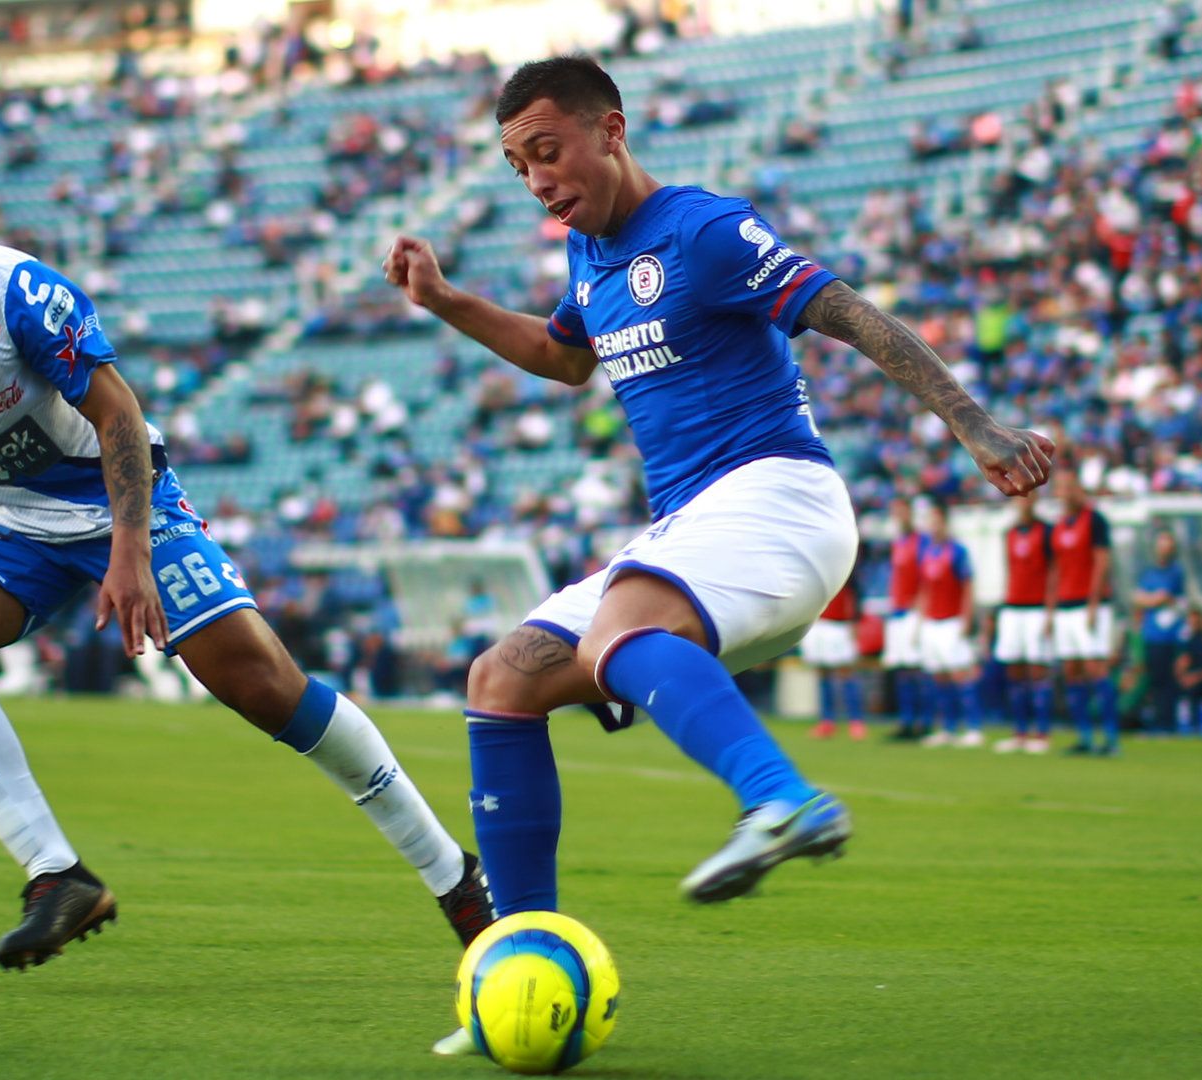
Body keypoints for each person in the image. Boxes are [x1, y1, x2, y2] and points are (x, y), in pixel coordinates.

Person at [382, 57, 1051, 1054]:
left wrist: (977, 426)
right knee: (503, 679)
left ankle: (781, 801)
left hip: (780, 495)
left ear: (610, 131)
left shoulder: (703, 230)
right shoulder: (589, 254)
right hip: (692, 527)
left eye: (548, 152)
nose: (537, 181)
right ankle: (516, 966)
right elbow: (565, 360)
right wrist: (443, 300)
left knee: (619, 628)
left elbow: (850, 312)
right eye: (519, 165)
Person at [0, 141, 490, 971]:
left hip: (115, 496)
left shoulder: (15, 293)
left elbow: (118, 415)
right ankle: (57, 878)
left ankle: (454, 875)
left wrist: (129, 551)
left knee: (257, 682)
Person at [1051, 467, 1118, 755]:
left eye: (1071, 487)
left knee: (1096, 668)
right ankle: (1085, 736)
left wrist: (1093, 603)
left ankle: (1111, 739)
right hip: (1066, 606)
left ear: (1080, 489)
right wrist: (1051, 609)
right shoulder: (1059, 525)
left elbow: (1102, 563)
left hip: (1090, 606)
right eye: (1061, 488)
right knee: (1072, 670)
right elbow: (1056, 569)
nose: (1066, 493)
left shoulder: (1095, 520)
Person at [916, 502, 983, 747]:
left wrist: (966, 618)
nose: (932, 527)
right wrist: (920, 621)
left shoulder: (957, 551)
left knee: (960, 674)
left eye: (936, 521)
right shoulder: (927, 552)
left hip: (952, 620)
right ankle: (948, 727)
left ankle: (974, 727)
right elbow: (924, 589)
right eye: (929, 522)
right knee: (939, 676)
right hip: (932, 622)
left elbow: (968, 586)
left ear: (945, 523)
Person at [992, 493, 1055, 753]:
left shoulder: (1047, 532)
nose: (1024, 503)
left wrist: (1050, 610)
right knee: (1014, 670)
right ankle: (1019, 732)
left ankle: (1041, 734)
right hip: (1013, 607)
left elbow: (1053, 571)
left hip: (1037, 607)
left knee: (1037, 670)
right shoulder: (1009, 533)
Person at [883, 496, 930, 741]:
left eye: (902, 511)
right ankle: (906, 721)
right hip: (897, 610)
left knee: (915, 668)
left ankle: (923, 722)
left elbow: (926, 577)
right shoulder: (898, 542)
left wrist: (921, 610)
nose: (899, 516)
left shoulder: (921, 542)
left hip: (913, 611)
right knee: (901, 669)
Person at [800, 571, 866, 740]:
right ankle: (827, 721)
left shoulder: (846, 567)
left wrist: (855, 622)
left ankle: (856, 721)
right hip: (818, 624)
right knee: (822, 673)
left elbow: (856, 593)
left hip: (840, 625)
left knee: (845, 673)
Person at [1133, 530, 1186, 735]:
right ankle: (1156, 721)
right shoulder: (1150, 573)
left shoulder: (1176, 572)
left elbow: (1168, 598)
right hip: (1152, 634)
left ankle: (1167, 723)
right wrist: (1153, 599)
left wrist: (1153, 599)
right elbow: (1140, 598)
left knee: (1167, 681)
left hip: (1169, 636)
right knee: (1154, 679)